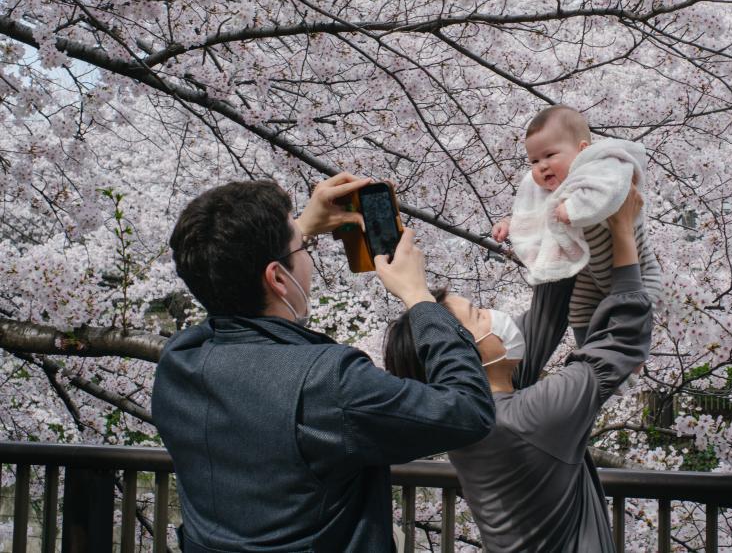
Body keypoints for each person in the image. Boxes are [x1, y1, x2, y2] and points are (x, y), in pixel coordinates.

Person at [151, 173, 495, 552]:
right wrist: (419, 296)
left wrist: (296, 231)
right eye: (304, 251)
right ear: (278, 279)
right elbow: (468, 410)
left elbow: (233, 271)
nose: (309, 260)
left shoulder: (179, 361)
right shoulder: (328, 381)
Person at [386, 185, 653, 551]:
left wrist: (542, 225)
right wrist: (623, 231)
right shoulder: (525, 419)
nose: (497, 316)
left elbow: (549, 309)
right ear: (465, 356)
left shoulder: (469, 417)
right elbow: (622, 337)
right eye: (479, 316)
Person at [492, 105, 662, 346]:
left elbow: (611, 192)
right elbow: (535, 214)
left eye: (550, 155)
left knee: (640, 304)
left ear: (582, 151)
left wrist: (574, 209)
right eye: (534, 160)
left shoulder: (599, 168)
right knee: (579, 309)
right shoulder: (546, 190)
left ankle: (636, 354)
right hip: (590, 271)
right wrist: (510, 223)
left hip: (636, 265)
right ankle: (588, 350)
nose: (541, 166)